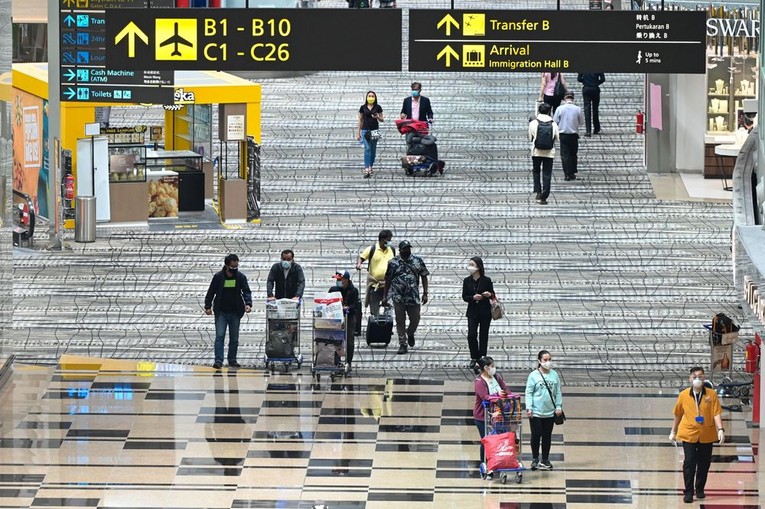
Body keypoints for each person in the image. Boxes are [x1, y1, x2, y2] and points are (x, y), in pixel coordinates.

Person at [669, 367, 724, 503]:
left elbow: (716, 412)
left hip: (707, 433)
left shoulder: (711, 394)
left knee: (704, 463)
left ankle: (699, 488)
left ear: (704, 378)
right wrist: (673, 431)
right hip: (689, 433)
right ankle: (688, 491)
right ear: (690, 378)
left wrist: (720, 429)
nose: (697, 379)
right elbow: (678, 414)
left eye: (700, 376)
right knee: (689, 462)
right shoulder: (683, 395)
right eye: (694, 377)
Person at [204, 254, 253, 369]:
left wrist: (248, 304)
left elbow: (246, 291)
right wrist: (208, 306)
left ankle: (232, 359)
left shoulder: (240, 277)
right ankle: (218, 360)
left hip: (235, 312)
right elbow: (211, 292)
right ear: (226, 266)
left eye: (236, 267)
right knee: (220, 336)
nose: (235, 269)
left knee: (234, 338)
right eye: (232, 267)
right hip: (221, 312)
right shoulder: (218, 277)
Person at [382, 240, 430, 355]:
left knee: (415, 319)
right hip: (398, 297)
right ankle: (402, 343)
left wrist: (425, 293)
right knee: (400, 320)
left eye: (409, 248)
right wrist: (384, 296)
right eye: (405, 249)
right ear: (400, 250)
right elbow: (387, 280)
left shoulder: (417, 261)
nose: (407, 250)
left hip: (413, 296)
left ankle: (410, 332)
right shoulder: (393, 263)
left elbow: (424, 276)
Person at [525, 350, 563, 471]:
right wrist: (529, 408)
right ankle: (535, 458)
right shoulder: (533, 375)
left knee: (547, 436)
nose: (548, 362)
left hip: (550, 412)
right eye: (545, 360)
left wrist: (558, 406)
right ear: (539, 361)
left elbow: (558, 391)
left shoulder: (554, 375)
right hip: (536, 412)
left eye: (549, 359)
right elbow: (529, 392)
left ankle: (545, 459)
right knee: (536, 436)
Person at [461, 257, 495, 372]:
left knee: (483, 335)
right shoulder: (466, 280)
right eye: (469, 264)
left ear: (479, 267)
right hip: (472, 311)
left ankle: (482, 358)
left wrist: (488, 294)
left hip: (485, 311)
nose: (470, 267)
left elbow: (493, 295)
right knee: (471, 334)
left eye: (472, 264)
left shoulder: (486, 280)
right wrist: (472, 297)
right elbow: (464, 296)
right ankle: (474, 356)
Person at [473, 356, 508, 467]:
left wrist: (506, 394)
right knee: (487, 439)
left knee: (497, 438)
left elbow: (505, 388)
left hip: (497, 414)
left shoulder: (496, 377)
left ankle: (496, 461)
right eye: (492, 366)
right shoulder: (479, 382)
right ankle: (485, 462)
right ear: (486, 368)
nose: (494, 368)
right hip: (482, 416)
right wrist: (498, 395)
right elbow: (485, 396)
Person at [355, 229, 395, 318]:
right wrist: (359, 264)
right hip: (375, 285)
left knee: (389, 309)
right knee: (374, 309)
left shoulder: (391, 250)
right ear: (381, 240)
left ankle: (387, 328)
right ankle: (376, 327)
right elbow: (361, 258)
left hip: (388, 285)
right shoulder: (372, 249)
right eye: (388, 240)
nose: (389, 242)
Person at [328, 270, 362, 373]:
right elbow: (327, 301)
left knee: (349, 340)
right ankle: (336, 361)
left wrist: (347, 308)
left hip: (349, 317)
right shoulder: (333, 290)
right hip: (336, 318)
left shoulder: (353, 291)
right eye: (337, 279)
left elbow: (355, 305)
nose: (338, 281)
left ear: (346, 280)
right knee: (335, 340)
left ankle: (348, 362)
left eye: (340, 279)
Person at [528, 102, 559, 205]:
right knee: (547, 173)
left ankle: (538, 191)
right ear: (549, 111)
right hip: (549, 152)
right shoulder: (553, 123)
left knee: (536, 171)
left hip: (536, 151)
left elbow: (530, 137)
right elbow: (557, 138)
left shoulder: (533, 122)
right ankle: (544, 195)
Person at [553, 92, 584, 181]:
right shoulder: (577, 109)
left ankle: (566, 174)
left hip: (563, 134)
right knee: (573, 154)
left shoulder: (560, 108)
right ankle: (572, 172)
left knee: (564, 154)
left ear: (564, 98)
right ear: (573, 98)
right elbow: (581, 122)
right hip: (574, 134)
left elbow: (555, 121)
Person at [357, 91, 384, 178]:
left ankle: (371, 166)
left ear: (375, 98)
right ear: (366, 97)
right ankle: (366, 167)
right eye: (369, 96)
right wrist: (358, 132)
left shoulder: (378, 107)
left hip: (375, 130)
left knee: (373, 149)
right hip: (365, 130)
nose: (371, 97)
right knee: (367, 149)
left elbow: (382, 119)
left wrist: (377, 117)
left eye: (372, 96)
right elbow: (360, 120)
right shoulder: (363, 107)